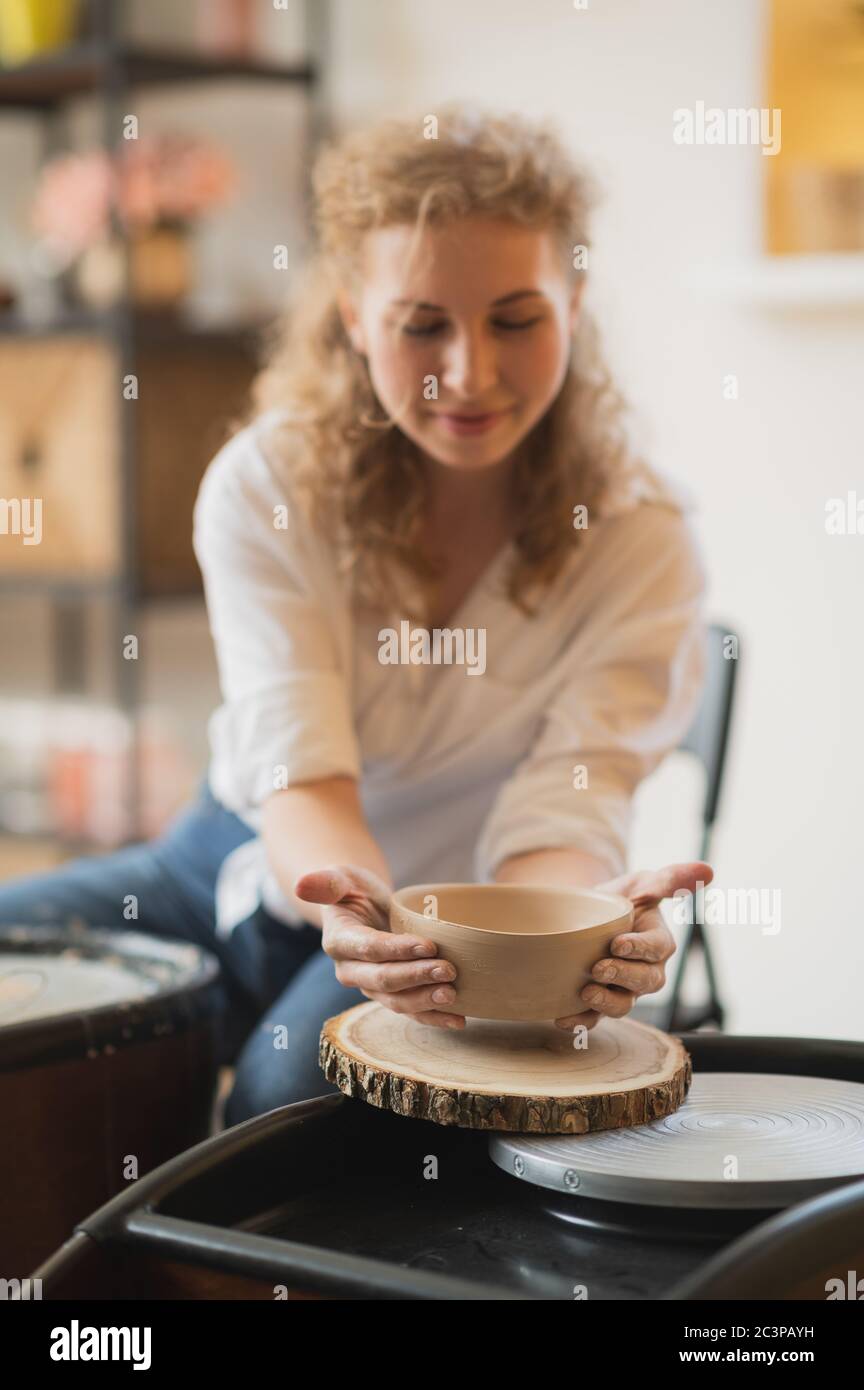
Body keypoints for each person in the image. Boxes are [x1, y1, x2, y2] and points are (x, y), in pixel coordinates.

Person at [0, 104, 712, 1127]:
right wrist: (352, 908)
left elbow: (564, 809)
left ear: (576, 300)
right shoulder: (267, 483)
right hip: (233, 861)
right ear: (350, 313)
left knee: (277, 1121)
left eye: (517, 318)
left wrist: (576, 934)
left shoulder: (641, 534)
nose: (468, 373)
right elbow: (302, 776)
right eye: (422, 323)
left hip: (456, 933)